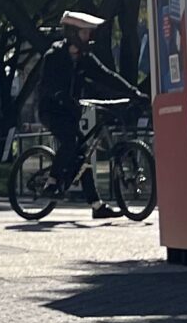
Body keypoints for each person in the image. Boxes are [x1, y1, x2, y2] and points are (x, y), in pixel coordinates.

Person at [37, 11, 136, 220]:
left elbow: (107, 76)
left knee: (83, 156)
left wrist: (133, 92)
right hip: (51, 110)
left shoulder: (84, 59)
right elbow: (47, 85)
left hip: (71, 111)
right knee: (70, 142)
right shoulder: (54, 56)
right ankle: (51, 182)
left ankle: (97, 205)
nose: (88, 37)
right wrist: (61, 97)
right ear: (73, 33)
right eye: (84, 33)